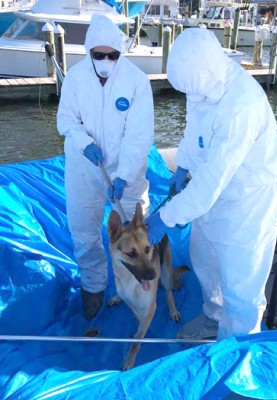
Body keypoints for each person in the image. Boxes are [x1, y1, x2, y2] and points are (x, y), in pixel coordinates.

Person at [145, 28, 277, 340]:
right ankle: (213, 317)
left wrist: (164, 219)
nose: (190, 98)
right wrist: (182, 164)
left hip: (246, 199)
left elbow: (210, 183)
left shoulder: (241, 104)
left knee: (240, 280)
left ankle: (238, 347)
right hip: (213, 195)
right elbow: (195, 132)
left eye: (193, 91)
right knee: (205, 258)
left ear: (206, 73)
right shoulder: (203, 86)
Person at [56, 14, 154, 320]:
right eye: (98, 55)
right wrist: (85, 143)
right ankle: (93, 285)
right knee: (84, 229)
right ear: (88, 53)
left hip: (127, 173)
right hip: (84, 168)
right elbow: (67, 122)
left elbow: (139, 137)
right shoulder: (74, 79)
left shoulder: (137, 82)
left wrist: (123, 176)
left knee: (138, 231)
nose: (105, 60)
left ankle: (145, 279)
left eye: (112, 55)